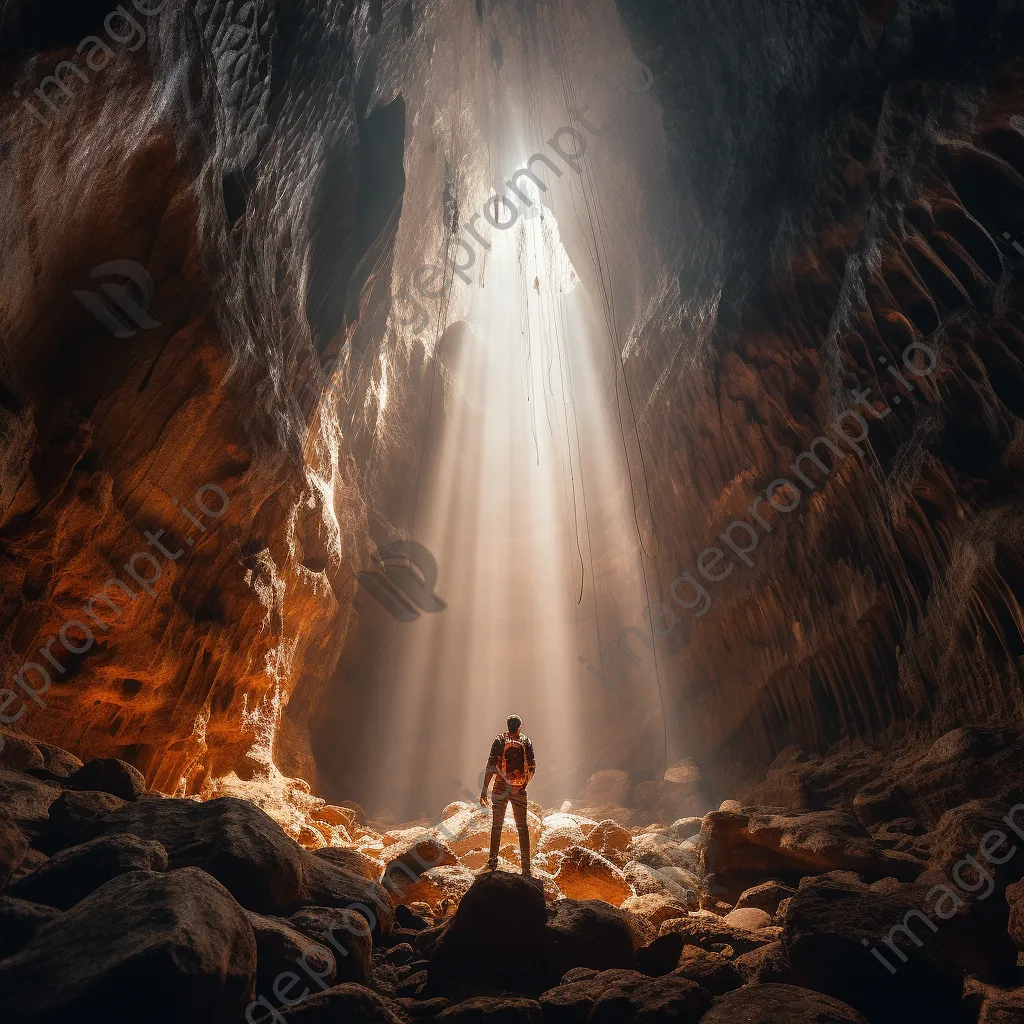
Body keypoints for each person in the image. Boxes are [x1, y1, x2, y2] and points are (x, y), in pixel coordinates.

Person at [479, 714, 536, 875]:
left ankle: (492, 861)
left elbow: (490, 766)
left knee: (497, 825)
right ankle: (526, 866)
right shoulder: (526, 741)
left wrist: (483, 791)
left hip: (500, 786)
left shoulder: (499, 740)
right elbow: (532, 767)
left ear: (507, 725)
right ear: (520, 726)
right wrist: (523, 784)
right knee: (522, 826)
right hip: (519, 789)